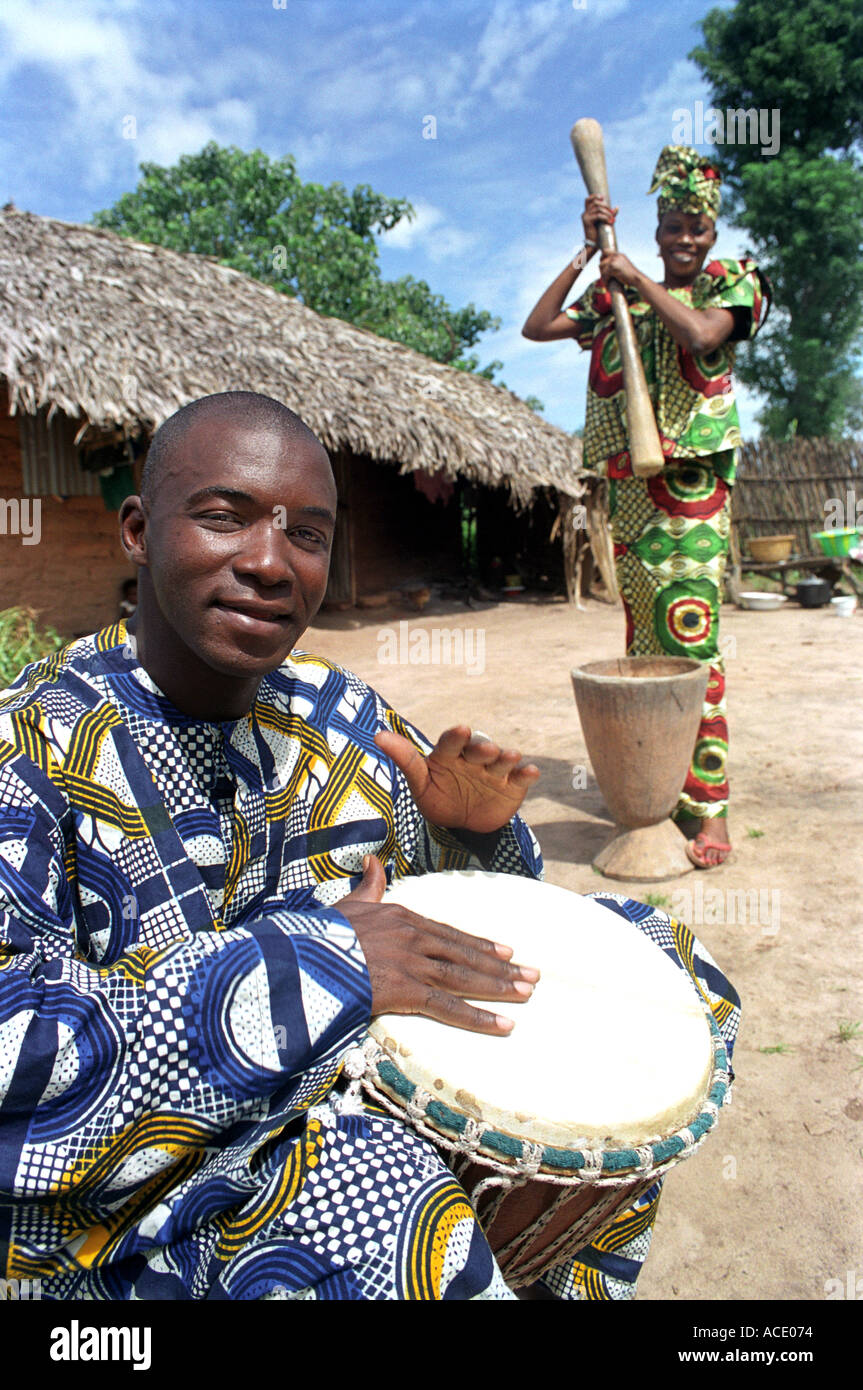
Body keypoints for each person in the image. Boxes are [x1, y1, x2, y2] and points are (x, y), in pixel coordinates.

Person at [0, 391, 738, 1300]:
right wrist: (320, 963)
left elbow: (481, 921)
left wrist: (473, 838)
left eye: (306, 535)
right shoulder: (28, 751)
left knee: (664, 963)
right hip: (121, 1212)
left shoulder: (337, 711)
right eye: (224, 518)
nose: (271, 564)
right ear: (139, 532)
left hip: (341, 1100)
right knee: (380, 1199)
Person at [523, 146, 771, 868]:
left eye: (696, 227)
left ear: (712, 236)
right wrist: (585, 252)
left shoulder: (734, 283)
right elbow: (536, 329)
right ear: (658, 231)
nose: (685, 238)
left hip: (692, 482)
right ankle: (651, 794)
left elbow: (699, 336)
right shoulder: (617, 301)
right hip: (631, 483)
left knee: (690, 640)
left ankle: (709, 809)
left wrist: (635, 278)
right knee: (644, 644)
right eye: (672, 226)